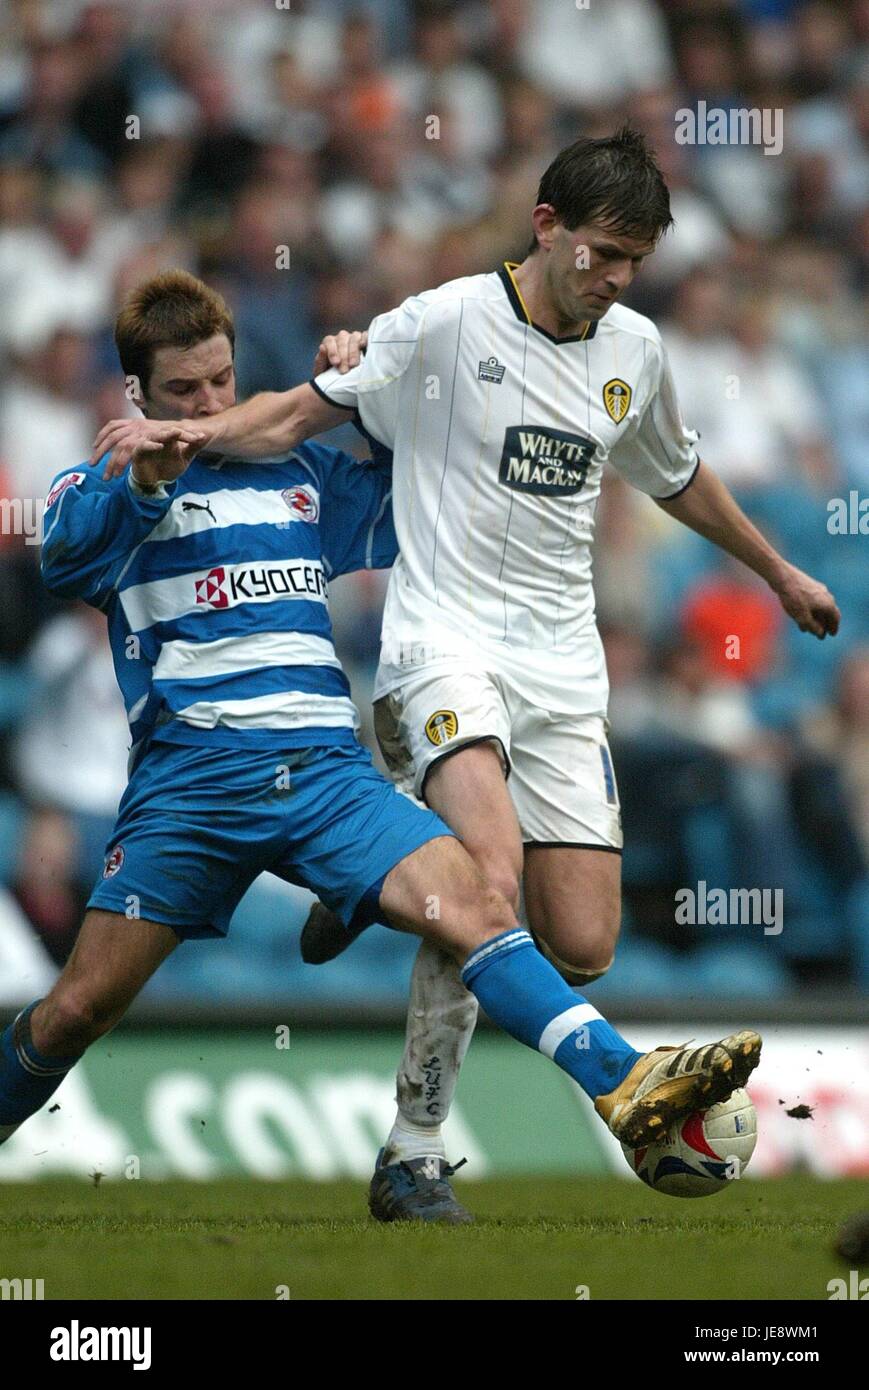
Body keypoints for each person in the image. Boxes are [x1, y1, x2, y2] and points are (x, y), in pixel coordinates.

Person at [92, 130, 835, 1220]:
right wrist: (179, 437)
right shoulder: (440, 323)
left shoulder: (634, 351)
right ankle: (415, 1149)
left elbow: (673, 472)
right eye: (600, 253)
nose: (615, 277)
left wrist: (776, 570)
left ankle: (376, 861)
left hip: (562, 669)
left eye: (634, 261)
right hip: (441, 643)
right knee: (485, 878)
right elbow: (293, 413)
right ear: (546, 227)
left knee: (579, 942)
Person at [0, 267, 763, 1181]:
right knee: (76, 1011)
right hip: (192, 785)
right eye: (182, 389)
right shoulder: (105, 478)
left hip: (326, 771)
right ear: (135, 391)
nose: (206, 404)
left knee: (478, 903)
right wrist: (144, 483)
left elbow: (436, 492)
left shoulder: (297, 468)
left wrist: (375, 391)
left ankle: (621, 1081)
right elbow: (64, 557)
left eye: (221, 380)